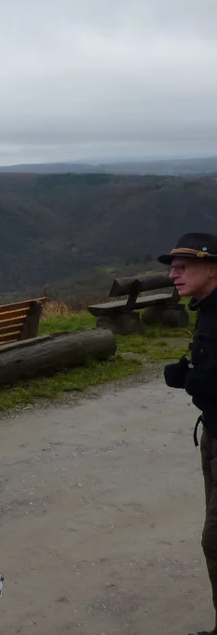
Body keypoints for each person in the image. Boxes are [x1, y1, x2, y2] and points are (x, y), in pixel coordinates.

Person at [161, 233, 217, 635]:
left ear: (212, 268)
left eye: (183, 267)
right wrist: (189, 375)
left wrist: (195, 381)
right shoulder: (206, 308)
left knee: (215, 541)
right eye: (172, 267)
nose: (173, 274)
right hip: (213, 431)